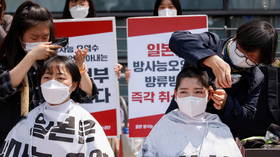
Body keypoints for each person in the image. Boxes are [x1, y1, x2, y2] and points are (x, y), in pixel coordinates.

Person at [0, 1, 97, 146]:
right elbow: (2, 87)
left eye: (45, 37)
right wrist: (31, 57)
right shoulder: (5, 59)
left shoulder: (54, 62)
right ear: (19, 36)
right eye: (34, 38)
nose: (40, 43)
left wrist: (80, 69)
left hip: (50, 142)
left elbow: (86, 95)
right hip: (12, 142)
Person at [166, 20, 278, 139]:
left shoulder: (256, 77)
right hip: (179, 124)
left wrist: (227, 103)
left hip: (218, 137)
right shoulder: (212, 43)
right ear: (236, 38)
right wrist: (211, 59)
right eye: (241, 52)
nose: (243, 59)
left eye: (251, 59)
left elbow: (248, 116)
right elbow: (177, 39)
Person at [0, 55, 114, 156]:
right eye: (47, 77)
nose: (52, 83)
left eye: (60, 78)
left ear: (73, 85)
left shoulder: (85, 123)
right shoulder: (28, 121)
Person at [138, 67, 242, 157]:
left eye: (198, 92)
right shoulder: (163, 126)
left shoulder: (219, 128)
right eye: (184, 92)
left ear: (209, 94)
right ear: (176, 94)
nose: (190, 97)